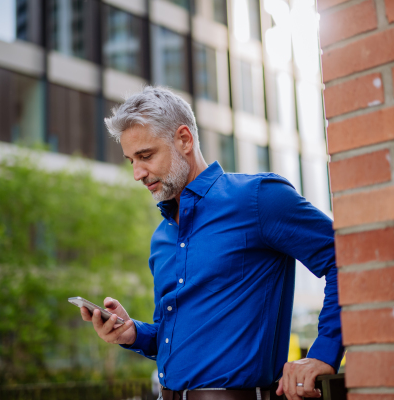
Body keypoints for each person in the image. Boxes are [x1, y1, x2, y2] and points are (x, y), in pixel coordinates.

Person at [80, 86, 344, 400]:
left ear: (184, 139)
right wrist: (133, 332)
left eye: (146, 156)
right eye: (131, 161)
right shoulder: (162, 239)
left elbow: (344, 259)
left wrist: (324, 353)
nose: (137, 173)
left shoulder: (258, 199)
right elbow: (173, 338)